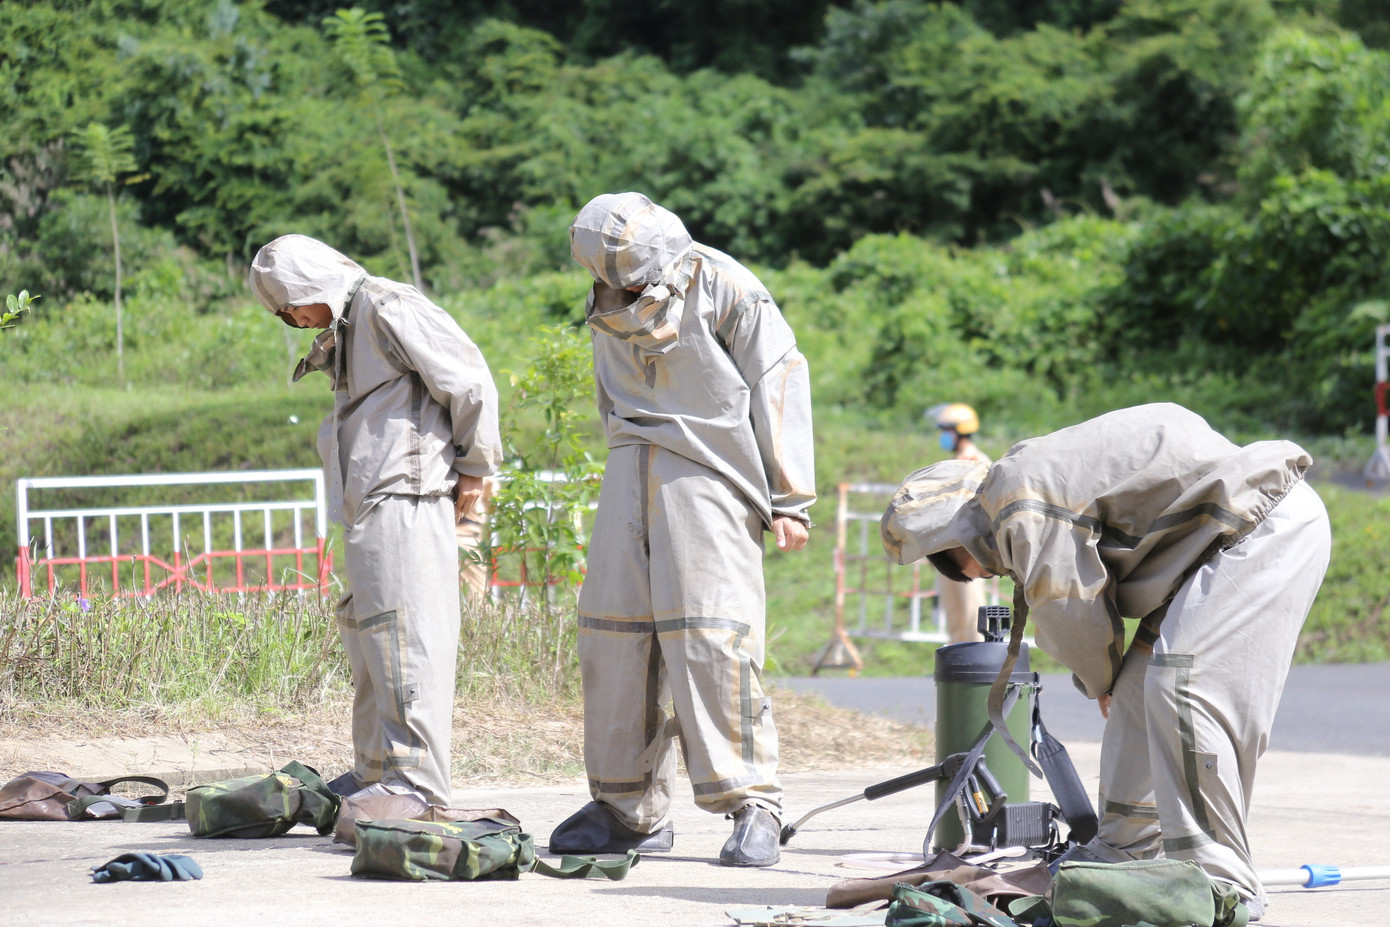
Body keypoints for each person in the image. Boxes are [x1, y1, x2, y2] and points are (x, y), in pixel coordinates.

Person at [880, 403, 1330, 921]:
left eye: (962, 565)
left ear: (957, 535)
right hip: (1224, 539)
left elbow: (1068, 600)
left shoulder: (1018, 501)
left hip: (1265, 527)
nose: (984, 574)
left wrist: (1099, 681)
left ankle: (1223, 882)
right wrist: (1114, 680)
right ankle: (1123, 853)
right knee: (1143, 687)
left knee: (1182, 689)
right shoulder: (1020, 483)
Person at [547, 192, 816, 867]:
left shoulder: (729, 287)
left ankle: (753, 800)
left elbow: (778, 378)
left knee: (712, 635)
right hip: (628, 464)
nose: (618, 290)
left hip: (712, 472)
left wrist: (788, 497)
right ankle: (625, 807)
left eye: (629, 279)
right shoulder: (605, 288)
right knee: (613, 635)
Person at [248, 234, 502, 806]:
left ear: (314, 286)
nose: (290, 319)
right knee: (371, 641)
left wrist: (477, 468)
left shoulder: (389, 306)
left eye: (290, 304)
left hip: (406, 497)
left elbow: (468, 382)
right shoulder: (350, 324)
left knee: (406, 639)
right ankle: (373, 773)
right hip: (370, 502)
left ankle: (416, 788)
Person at [926, 402, 991, 643]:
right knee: (954, 609)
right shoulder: (958, 460)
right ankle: (958, 658)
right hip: (950, 545)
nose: (943, 436)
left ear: (960, 431)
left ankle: (977, 655)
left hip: (969, 549)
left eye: (946, 430)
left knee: (971, 607)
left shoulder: (975, 461)